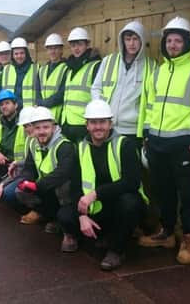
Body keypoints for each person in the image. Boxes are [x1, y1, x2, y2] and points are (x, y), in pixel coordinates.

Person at [138, 17, 190, 265]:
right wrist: (147, 135)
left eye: (178, 40)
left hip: (183, 146)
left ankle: (189, 238)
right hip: (157, 144)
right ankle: (167, 232)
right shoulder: (159, 71)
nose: (173, 45)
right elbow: (149, 106)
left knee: (187, 194)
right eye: (169, 40)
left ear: (187, 43)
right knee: (164, 192)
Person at [57, 99, 148, 271]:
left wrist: (95, 194)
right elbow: (76, 185)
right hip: (94, 208)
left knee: (129, 203)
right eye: (93, 122)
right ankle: (101, 235)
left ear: (110, 123)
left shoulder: (124, 145)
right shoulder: (81, 147)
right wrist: (81, 215)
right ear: (87, 125)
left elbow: (132, 182)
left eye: (102, 122)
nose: (98, 127)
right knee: (64, 216)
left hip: (119, 204)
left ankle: (116, 250)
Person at [91, 21, 156, 147]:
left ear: (142, 40)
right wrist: (101, 112)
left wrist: (147, 131)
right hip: (107, 127)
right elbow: (96, 88)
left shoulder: (152, 66)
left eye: (135, 39)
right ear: (123, 41)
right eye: (128, 39)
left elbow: (152, 101)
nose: (131, 43)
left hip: (133, 130)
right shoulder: (109, 61)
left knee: (129, 166)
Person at [14, 107, 75, 233]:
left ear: (53, 127)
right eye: (37, 128)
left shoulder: (64, 146)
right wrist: (25, 181)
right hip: (46, 188)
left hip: (63, 192)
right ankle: (45, 214)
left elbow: (62, 174)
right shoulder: (33, 143)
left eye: (45, 127)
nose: (41, 132)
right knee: (19, 191)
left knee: (62, 190)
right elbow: (29, 168)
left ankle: (59, 221)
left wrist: (36, 186)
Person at [0, 106, 35, 205]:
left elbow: (28, 168)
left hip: (37, 178)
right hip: (20, 169)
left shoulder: (40, 141)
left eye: (29, 125)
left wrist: (4, 183)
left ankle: (39, 211)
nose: (27, 129)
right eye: (25, 126)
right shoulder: (30, 139)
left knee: (9, 193)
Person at [60, 27, 102, 143]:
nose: (76, 48)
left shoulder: (96, 66)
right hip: (67, 123)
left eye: (79, 44)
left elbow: (98, 96)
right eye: (73, 45)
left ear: (87, 45)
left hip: (83, 125)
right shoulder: (69, 68)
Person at [0, 37, 41, 109]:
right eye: (16, 54)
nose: (19, 56)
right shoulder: (6, 70)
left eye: (22, 53)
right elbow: (1, 91)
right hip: (11, 112)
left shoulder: (36, 68)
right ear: (12, 55)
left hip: (30, 111)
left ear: (26, 54)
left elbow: (40, 92)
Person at [37, 33, 68, 123]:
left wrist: (44, 104)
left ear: (61, 50)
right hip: (43, 115)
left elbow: (62, 93)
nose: (53, 51)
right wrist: (40, 103)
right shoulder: (42, 69)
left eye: (56, 48)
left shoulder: (66, 68)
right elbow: (37, 91)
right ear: (47, 50)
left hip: (58, 114)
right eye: (50, 48)